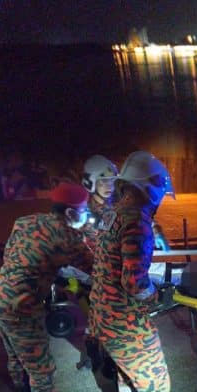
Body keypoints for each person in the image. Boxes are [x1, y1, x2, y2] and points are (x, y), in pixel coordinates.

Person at [88, 151, 190, 392]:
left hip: (103, 316)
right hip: (125, 322)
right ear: (151, 188)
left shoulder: (111, 215)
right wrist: (159, 295)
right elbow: (134, 282)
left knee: (125, 372)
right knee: (155, 381)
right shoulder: (138, 222)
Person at [0, 182, 94, 392]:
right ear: (71, 213)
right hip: (24, 307)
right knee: (40, 368)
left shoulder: (25, 221)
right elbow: (93, 268)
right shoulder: (68, 237)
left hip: (2, 296)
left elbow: (24, 254)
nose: (86, 214)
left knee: (16, 356)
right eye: (84, 210)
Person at [77, 154, 119, 371]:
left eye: (111, 180)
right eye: (103, 181)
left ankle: (95, 349)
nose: (108, 185)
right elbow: (92, 247)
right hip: (94, 273)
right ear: (90, 182)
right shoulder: (86, 211)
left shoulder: (113, 207)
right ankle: (103, 354)